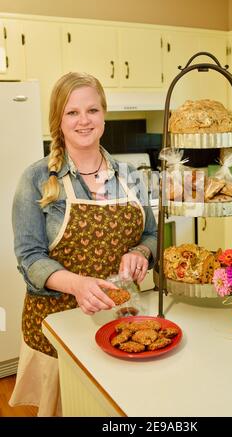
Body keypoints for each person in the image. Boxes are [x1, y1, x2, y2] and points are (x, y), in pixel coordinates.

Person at [9, 72, 157, 416]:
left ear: (104, 114)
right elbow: (29, 257)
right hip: (59, 326)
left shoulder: (131, 175)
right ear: (57, 121)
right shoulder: (36, 178)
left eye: (92, 110)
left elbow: (151, 235)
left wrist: (141, 253)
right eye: (72, 112)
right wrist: (77, 284)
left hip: (123, 320)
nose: (84, 120)